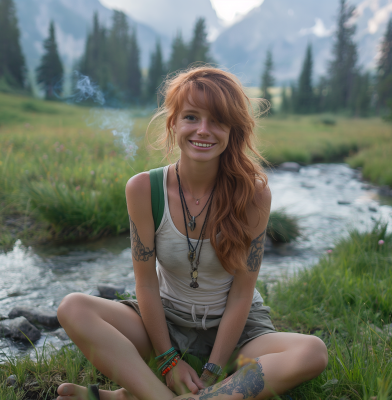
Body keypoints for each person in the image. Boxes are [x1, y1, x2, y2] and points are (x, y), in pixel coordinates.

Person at [56, 67, 328, 400]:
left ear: (232, 130)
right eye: (191, 117)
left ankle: (141, 396)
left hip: (236, 337)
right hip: (166, 323)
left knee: (312, 351)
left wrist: (213, 369)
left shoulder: (253, 196)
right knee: (73, 308)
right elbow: (146, 283)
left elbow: (242, 294)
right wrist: (168, 361)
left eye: (217, 120)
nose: (203, 130)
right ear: (173, 123)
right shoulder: (143, 189)